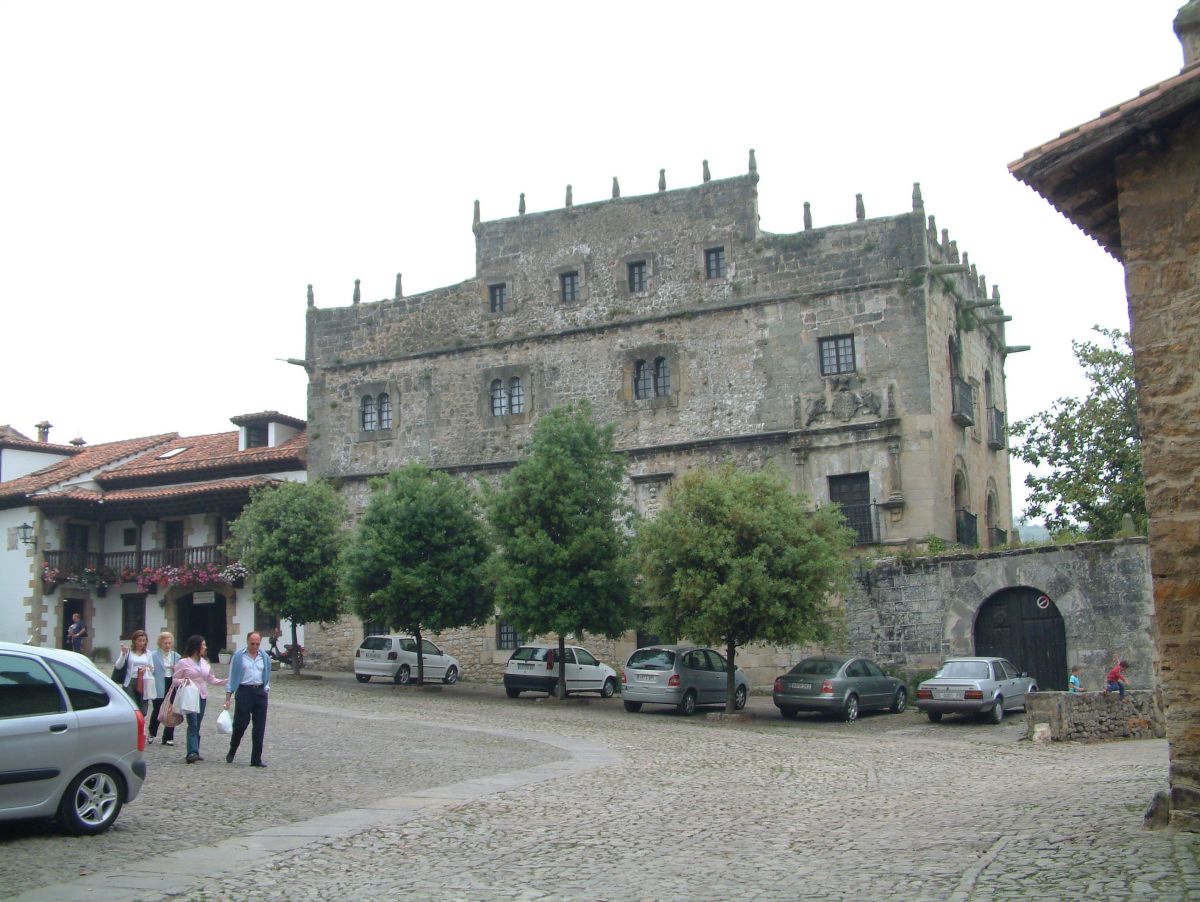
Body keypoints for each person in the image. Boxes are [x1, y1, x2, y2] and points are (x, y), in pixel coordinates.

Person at [173, 635, 227, 764]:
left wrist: (226, 682)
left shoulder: (204, 663)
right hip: (189, 696)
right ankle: (192, 752)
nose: (205, 647)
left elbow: (211, 679)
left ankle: (195, 749)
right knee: (193, 724)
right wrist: (183, 681)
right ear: (196, 647)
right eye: (203, 645)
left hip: (202, 696)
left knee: (197, 724)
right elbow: (174, 679)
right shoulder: (183, 662)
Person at [225, 631, 271, 768]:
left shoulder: (264, 657)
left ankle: (256, 758)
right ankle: (233, 748)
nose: (255, 646)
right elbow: (232, 677)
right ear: (247, 642)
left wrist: (266, 687)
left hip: (260, 692)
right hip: (244, 691)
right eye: (252, 643)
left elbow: (267, 673)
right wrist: (228, 697)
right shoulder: (239, 656)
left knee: (259, 727)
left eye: (257, 644)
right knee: (240, 724)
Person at [148, 631, 181, 745]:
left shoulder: (176, 656)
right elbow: (150, 671)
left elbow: (182, 670)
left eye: (169, 643)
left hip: (172, 683)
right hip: (159, 684)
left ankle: (168, 736)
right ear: (160, 643)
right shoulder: (153, 655)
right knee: (158, 709)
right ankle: (152, 733)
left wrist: (175, 668)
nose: (167, 646)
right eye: (165, 643)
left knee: (171, 710)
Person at [114, 629, 155, 719]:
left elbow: (152, 668)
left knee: (143, 710)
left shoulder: (148, 653)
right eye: (139, 640)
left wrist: (147, 668)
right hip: (130, 682)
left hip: (143, 681)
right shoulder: (128, 651)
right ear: (134, 641)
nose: (141, 643)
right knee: (133, 708)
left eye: (143, 641)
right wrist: (123, 655)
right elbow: (118, 666)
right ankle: (136, 729)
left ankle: (141, 726)